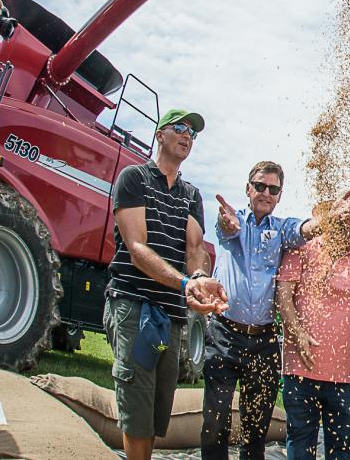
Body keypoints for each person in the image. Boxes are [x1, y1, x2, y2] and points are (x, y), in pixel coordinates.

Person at [201, 164, 350, 460]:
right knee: (215, 420)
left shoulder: (281, 230)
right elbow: (225, 230)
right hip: (224, 333)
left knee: (256, 424)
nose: (266, 193)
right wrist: (227, 225)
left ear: (279, 195)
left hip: (263, 341)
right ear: (248, 189)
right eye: (260, 186)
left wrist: (328, 218)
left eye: (273, 189)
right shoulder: (233, 220)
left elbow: (305, 229)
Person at [104, 109, 228, 460]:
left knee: (158, 412)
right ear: (159, 135)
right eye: (179, 128)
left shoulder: (191, 195)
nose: (187, 135)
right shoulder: (134, 178)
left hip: (171, 315)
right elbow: (137, 247)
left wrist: (201, 279)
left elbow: (194, 250)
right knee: (137, 410)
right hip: (135, 305)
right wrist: (186, 282)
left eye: (192, 132)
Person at [276, 195, 350, 460]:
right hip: (301, 369)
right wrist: (297, 331)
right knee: (300, 446)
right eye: (340, 216)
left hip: (348, 376)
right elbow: (284, 294)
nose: (345, 224)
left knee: (343, 450)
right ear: (326, 220)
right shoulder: (301, 249)